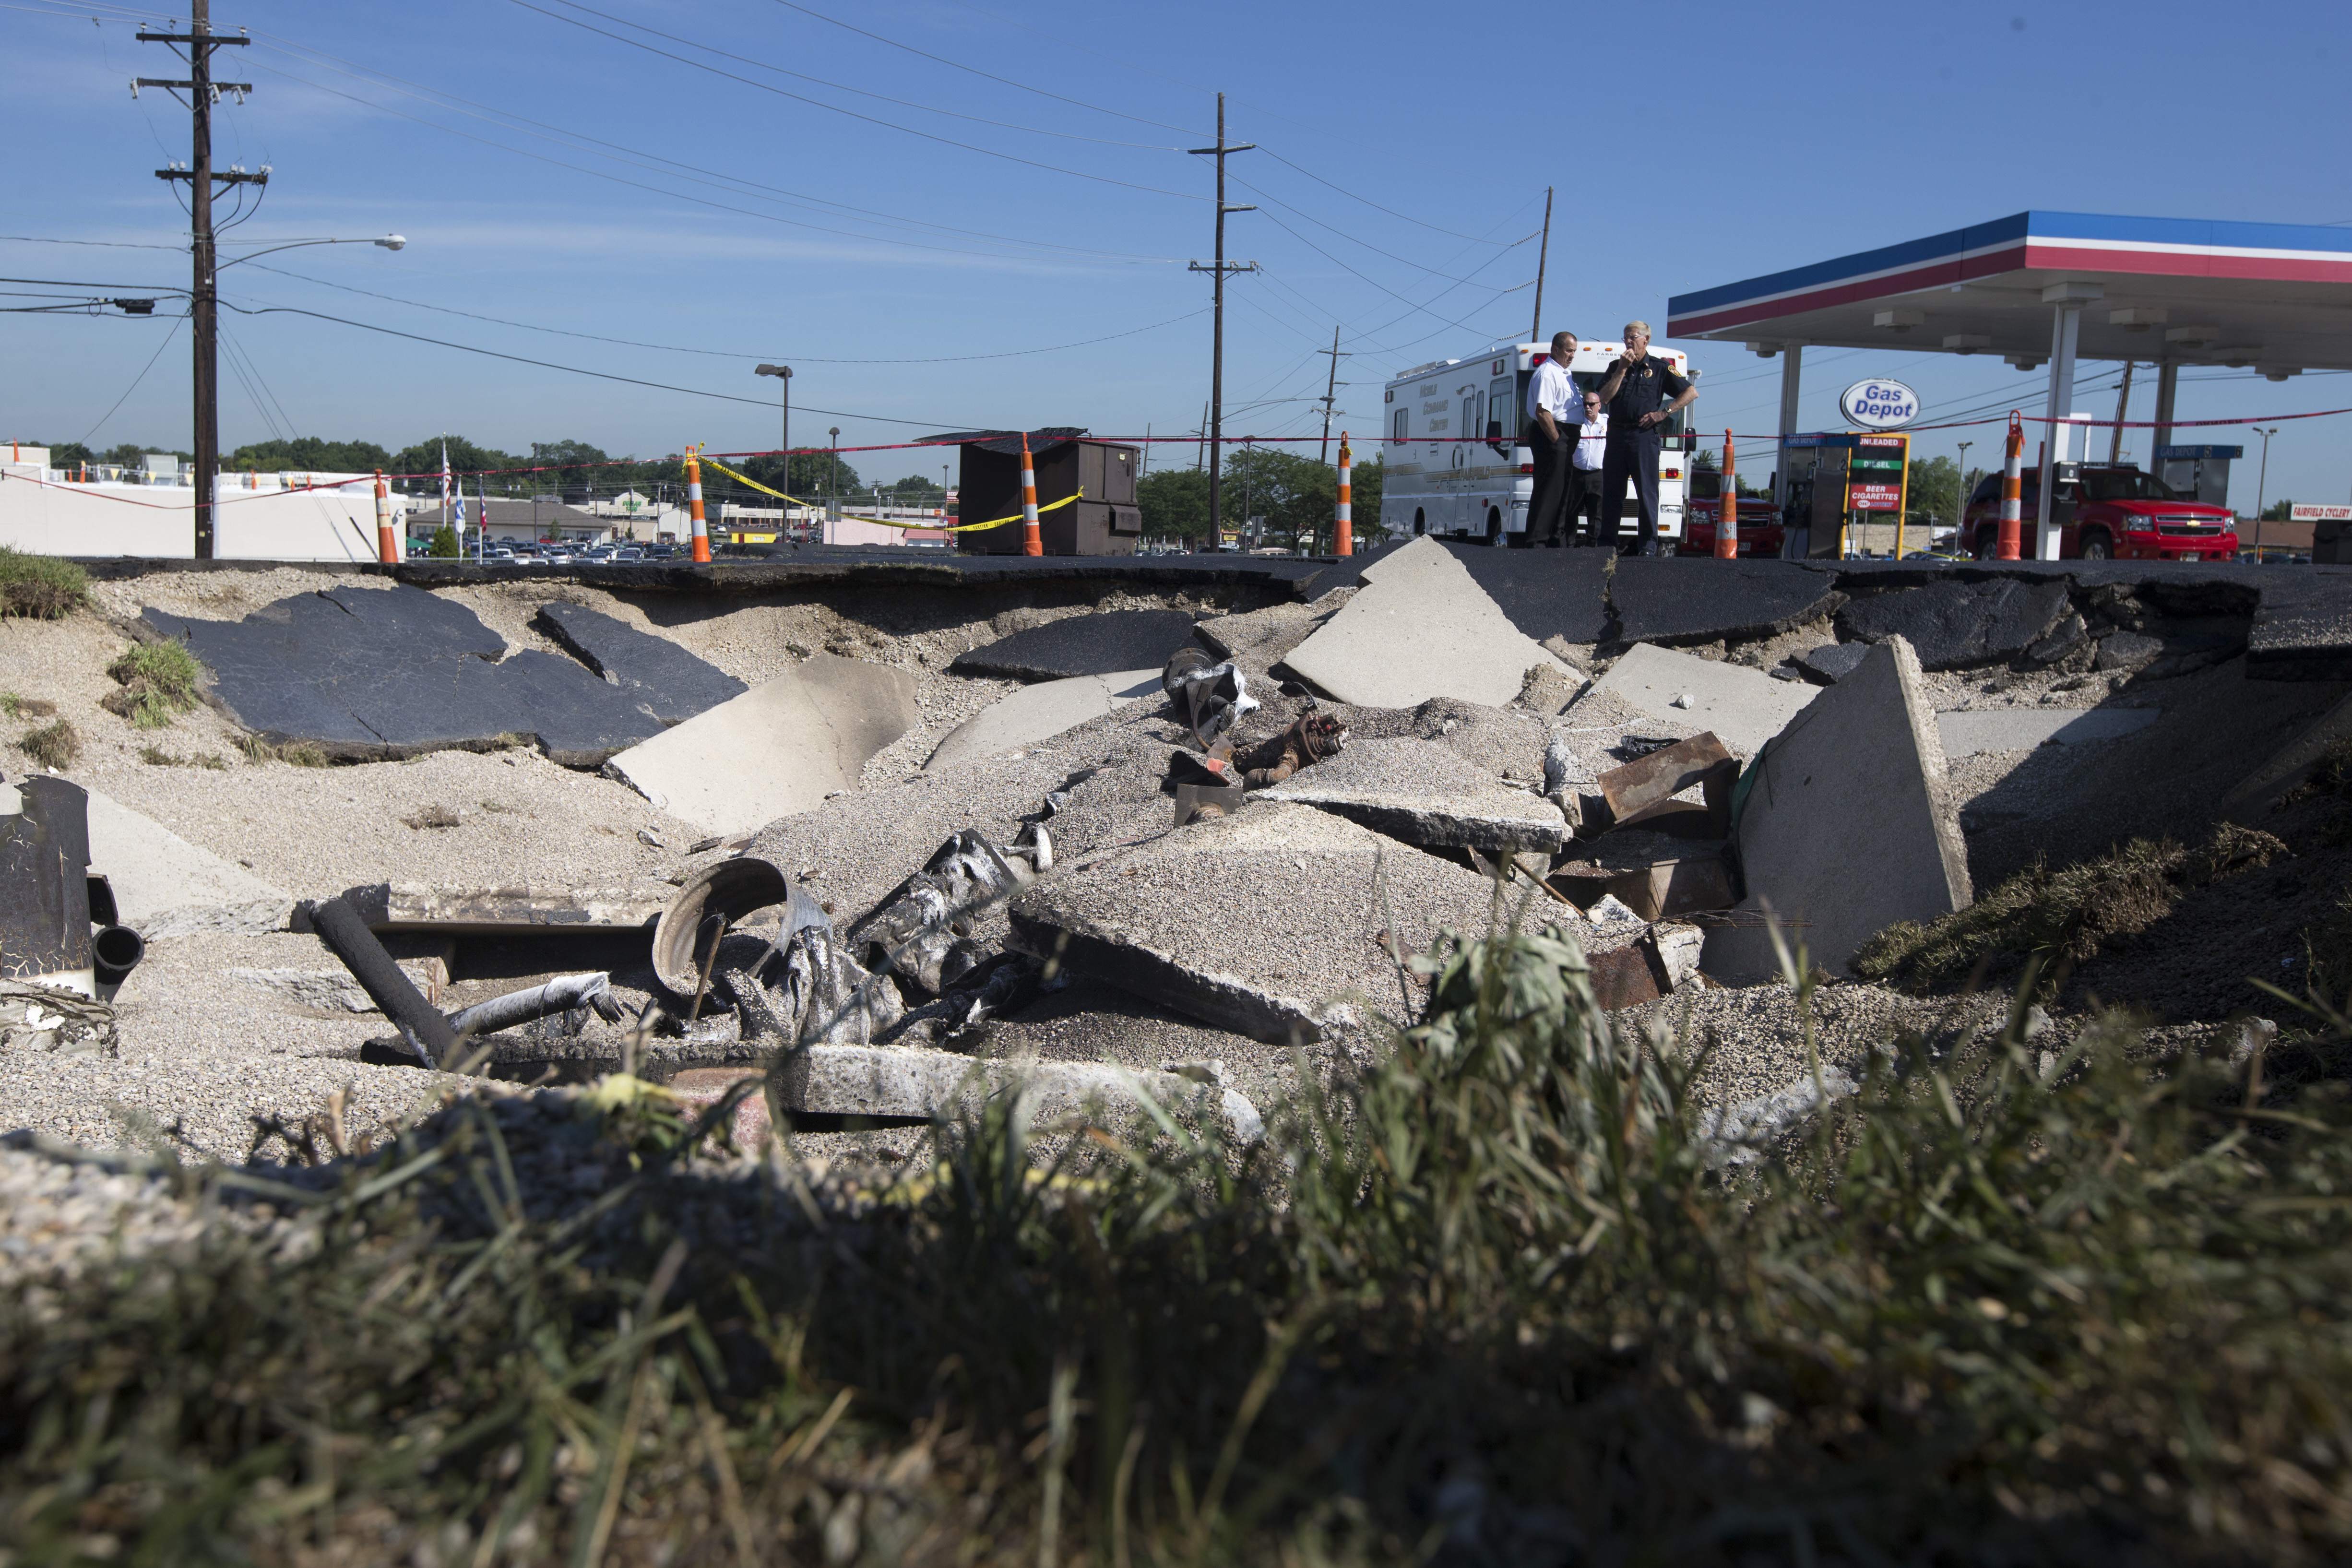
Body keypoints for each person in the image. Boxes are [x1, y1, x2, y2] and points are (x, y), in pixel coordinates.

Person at [1593, 320, 1696, 556]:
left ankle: (1648, 545)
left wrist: (1664, 413)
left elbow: (1691, 392)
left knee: (1647, 492)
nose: (1628, 342)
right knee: (1612, 493)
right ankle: (1607, 544)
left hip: (1644, 436)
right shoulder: (1615, 367)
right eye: (1625, 338)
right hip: (1617, 434)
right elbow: (1605, 398)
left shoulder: (1660, 368)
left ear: (1646, 340)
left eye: (1633, 337)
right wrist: (1621, 369)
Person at [1523, 331, 1580, 547]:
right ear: (1555, 350)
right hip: (1552, 434)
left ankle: (1556, 540)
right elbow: (1543, 412)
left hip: (1565, 435)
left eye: (1574, 351)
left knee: (1563, 491)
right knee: (1549, 491)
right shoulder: (1547, 373)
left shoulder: (1565, 373)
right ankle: (1537, 541)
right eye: (1568, 350)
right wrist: (1557, 440)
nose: (1572, 355)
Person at [1567, 389, 1608, 545]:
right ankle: (1568, 546)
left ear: (1599, 406)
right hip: (1577, 475)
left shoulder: (1607, 423)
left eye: (1591, 404)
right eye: (1585, 404)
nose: (1587, 407)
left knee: (1596, 515)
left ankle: (1594, 548)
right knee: (1571, 512)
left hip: (1598, 475)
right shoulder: (1576, 422)